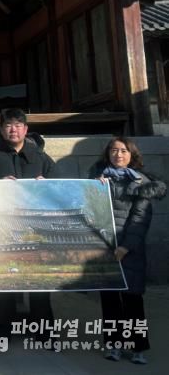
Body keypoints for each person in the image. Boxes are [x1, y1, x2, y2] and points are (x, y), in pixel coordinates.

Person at [0, 108, 57, 339]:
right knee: (5, 283)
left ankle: (44, 333)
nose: (13, 129)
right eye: (8, 125)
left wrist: (46, 184)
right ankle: (3, 331)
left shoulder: (40, 157)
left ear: (26, 129)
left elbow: (60, 186)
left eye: (18, 125)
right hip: (3, 229)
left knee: (39, 283)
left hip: (36, 229)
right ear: (1, 129)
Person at [90, 137, 165, 365]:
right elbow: (88, 209)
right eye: (114, 150)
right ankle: (113, 344)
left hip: (130, 250)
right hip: (104, 248)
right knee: (110, 301)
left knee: (132, 301)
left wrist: (125, 247)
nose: (118, 154)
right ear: (107, 154)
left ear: (132, 155)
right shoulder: (98, 179)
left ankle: (137, 347)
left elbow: (140, 219)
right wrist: (94, 188)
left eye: (123, 151)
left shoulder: (141, 182)